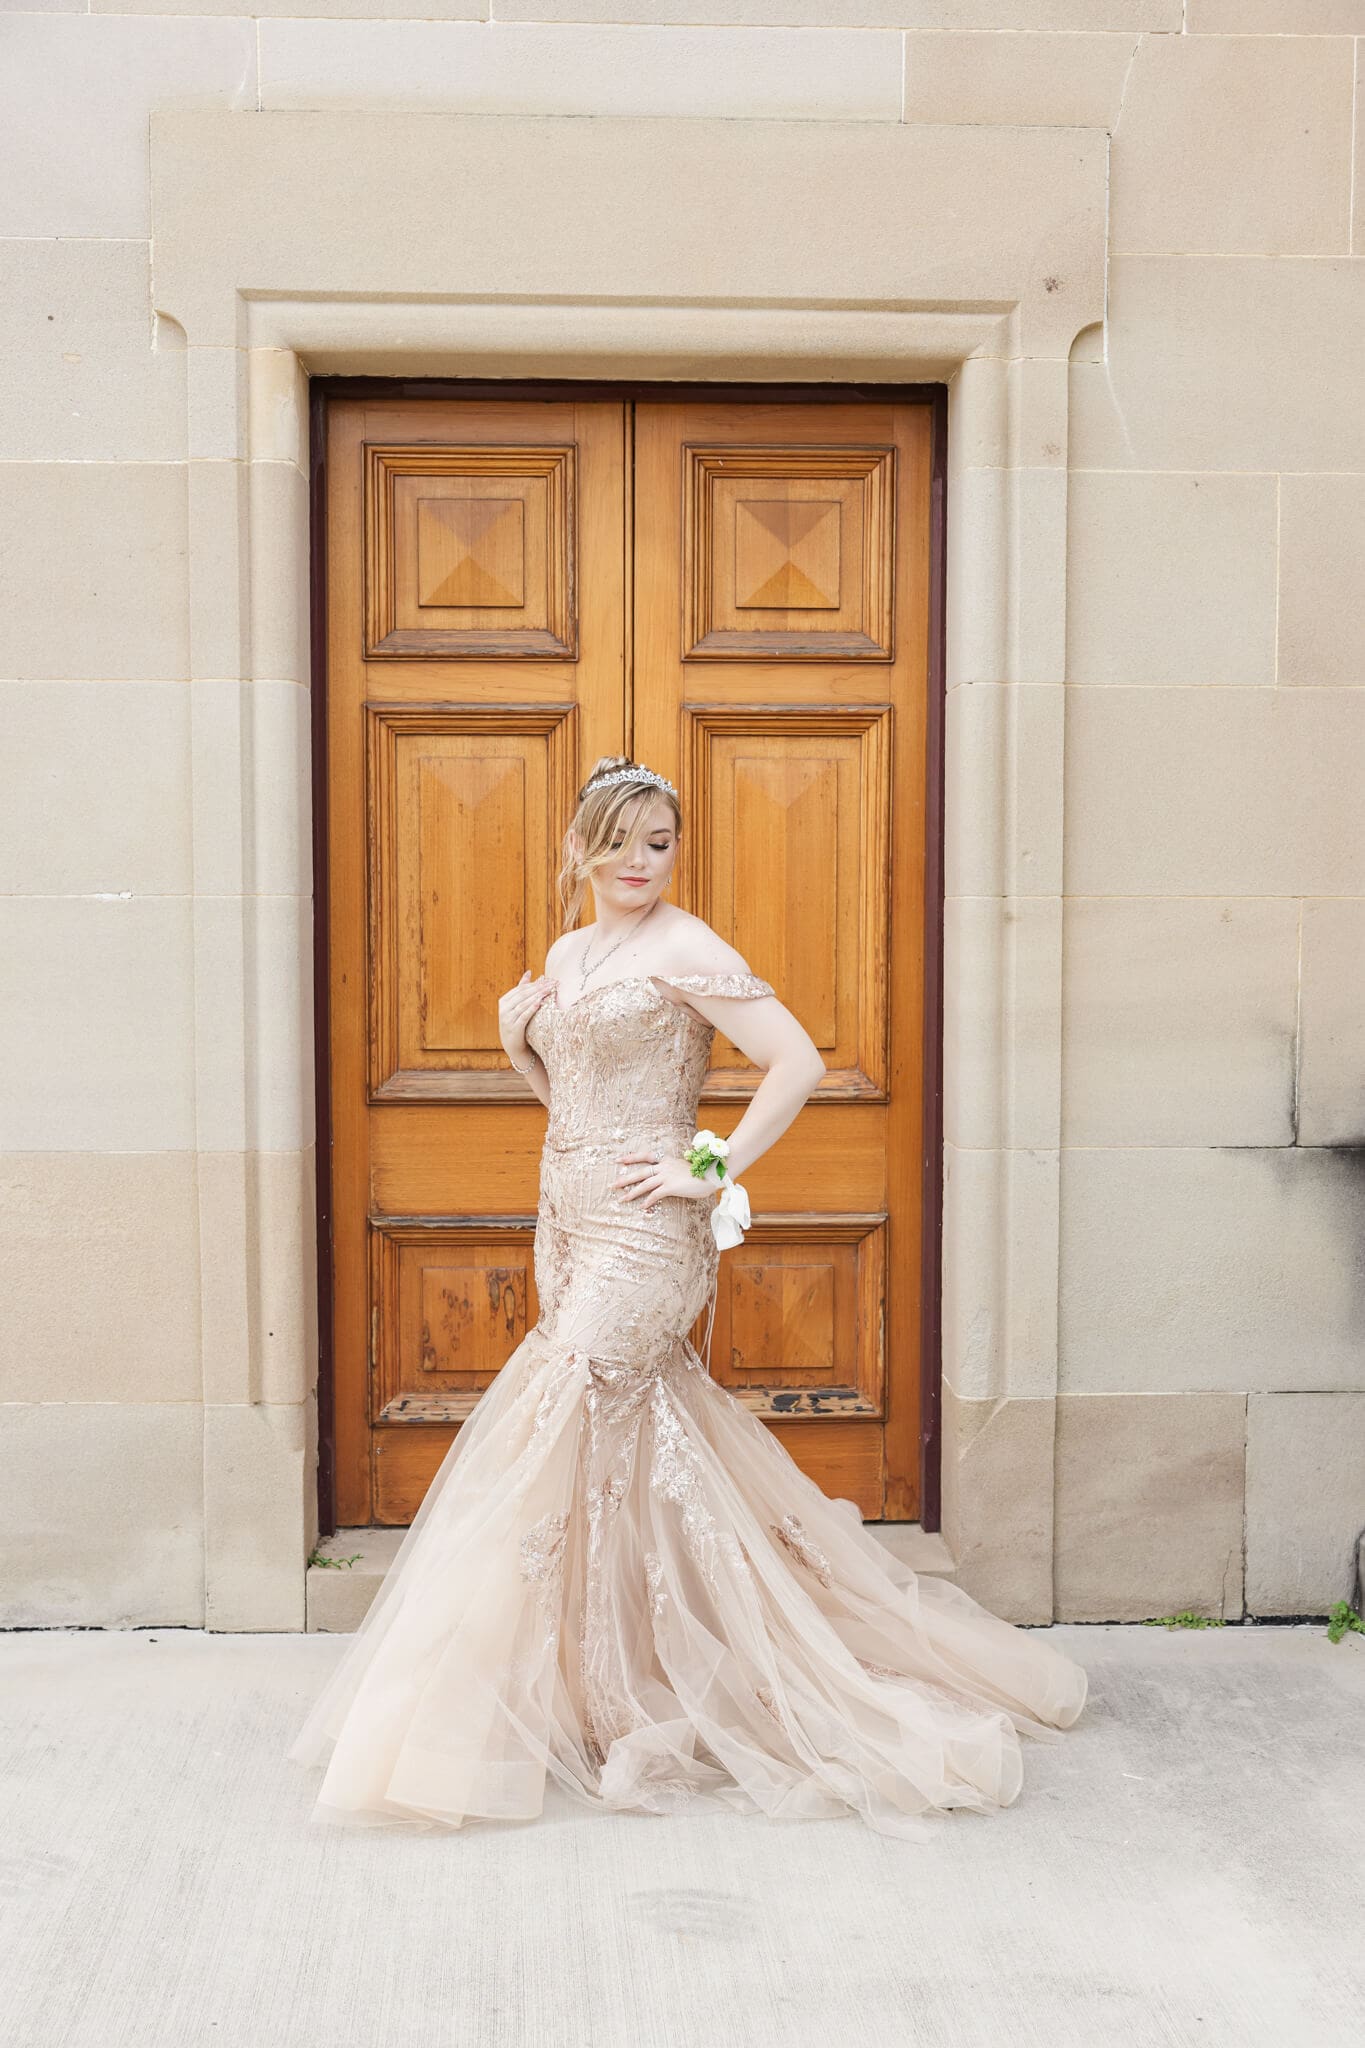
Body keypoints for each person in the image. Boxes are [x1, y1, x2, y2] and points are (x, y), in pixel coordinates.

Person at [287, 757, 1087, 1839]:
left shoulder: (687, 945)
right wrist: (517, 1033)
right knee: (615, 1452)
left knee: (541, 1426)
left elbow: (795, 1060)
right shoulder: (574, 950)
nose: (639, 862)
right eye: (620, 841)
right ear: (580, 845)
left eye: (659, 842)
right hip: (566, 1216)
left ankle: (443, 1719)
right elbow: (568, 1099)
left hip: (648, 1233)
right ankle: (612, 1689)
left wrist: (710, 1170)